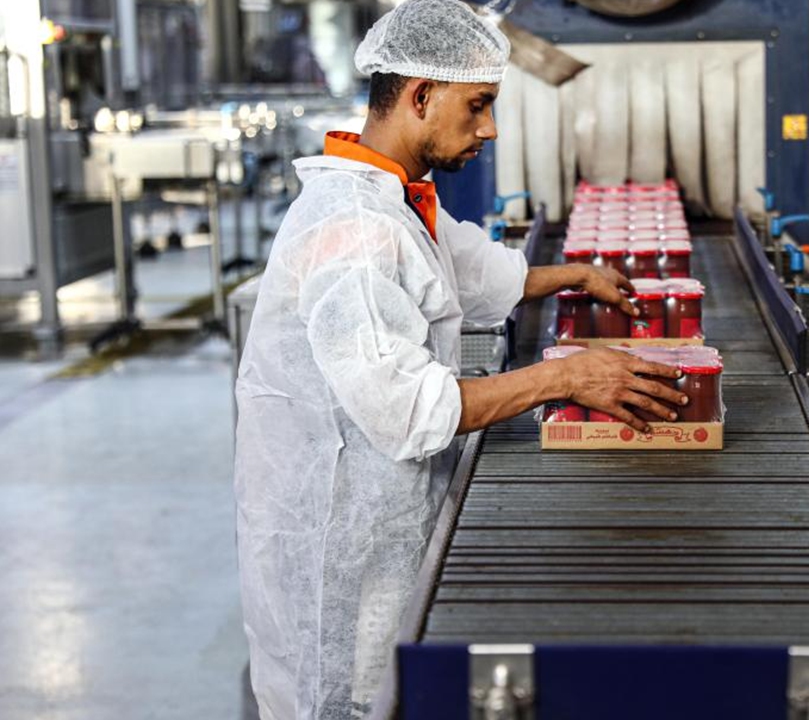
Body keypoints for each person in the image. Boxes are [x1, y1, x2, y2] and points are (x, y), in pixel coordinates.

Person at [233, 0, 688, 718]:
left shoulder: (393, 194)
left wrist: (571, 275)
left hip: (389, 518)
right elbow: (410, 410)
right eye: (477, 106)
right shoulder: (353, 230)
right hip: (344, 548)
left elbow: (466, 272)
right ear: (420, 96)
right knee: (355, 700)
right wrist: (566, 375)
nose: (490, 128)